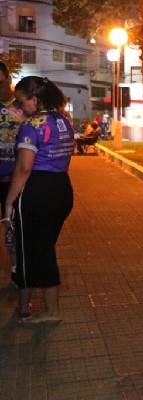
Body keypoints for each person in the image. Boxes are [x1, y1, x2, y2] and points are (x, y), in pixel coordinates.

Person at [4, 76, 74, 324]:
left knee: (34, 251)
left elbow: (24, 168)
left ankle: (50, 311)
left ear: (34, 99)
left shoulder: (31, 125)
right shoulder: (63, 121)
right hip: (62, 188)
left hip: (37, 191)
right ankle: (38, 307)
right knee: (44, 248)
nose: (20, 106)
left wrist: (9, 203)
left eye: (22, 101)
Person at [0, 61, 25, 298]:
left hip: (14, 181)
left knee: (12, 228)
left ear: (8, 80)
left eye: (0, 83)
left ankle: (17, 272)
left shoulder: (23, 106)